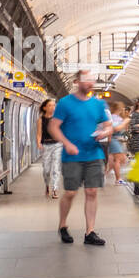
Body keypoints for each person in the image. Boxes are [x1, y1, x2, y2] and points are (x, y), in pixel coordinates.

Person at [49, 69, 112, 246]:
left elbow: (108, 126)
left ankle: (90, 231)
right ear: (77, 82)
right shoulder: (65, 103)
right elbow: (54, 127)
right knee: (70, 192)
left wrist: (104, 132)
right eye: (86, 80)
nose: (90, 83)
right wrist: (66, 143)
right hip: (72, 156)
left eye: (92, 80)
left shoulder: (99, 105)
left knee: (91, 192)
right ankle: (62, 225)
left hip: (94, 153)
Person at [39, 99, 62, 199]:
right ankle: (47, 185)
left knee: (56, 168)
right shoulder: (40, 120)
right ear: (45, 108)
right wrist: (38, 143)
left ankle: (55, 189)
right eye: (50, 105)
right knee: (46, 170)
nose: (53, 107)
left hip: (57, 144)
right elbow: (39, 134)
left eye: (54, 105)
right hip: (46, 145)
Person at [106, 101, 130, 185]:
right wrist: (125, 122)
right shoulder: (115, 118)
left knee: (119, 159)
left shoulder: (114, 117)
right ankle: (118, 179)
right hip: (114, 140)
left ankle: (107, 173)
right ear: (119, 109)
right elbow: (115, 129)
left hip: (115, 140)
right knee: (119, 160)